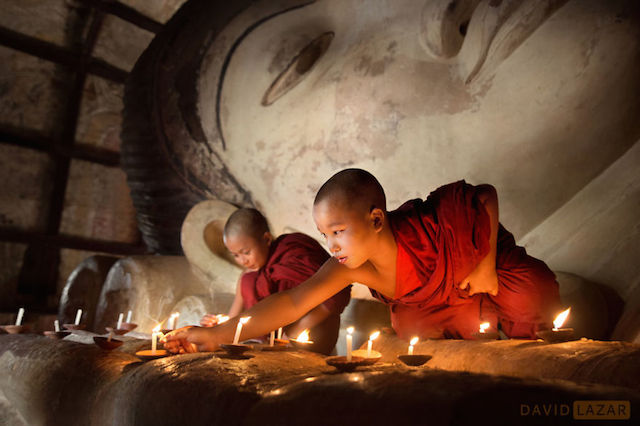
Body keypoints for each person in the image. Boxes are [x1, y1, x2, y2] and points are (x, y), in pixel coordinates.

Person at [165, 169, 561, 352]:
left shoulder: (425, 226)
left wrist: (486, 264)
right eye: (325, 235)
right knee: (411, 331)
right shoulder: (348, 265)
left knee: (532, 291)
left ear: (375, 219)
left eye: (338, 231)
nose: (332, 245)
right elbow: (291, 301)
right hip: (434, 306)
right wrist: (218, 335)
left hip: (481, 276)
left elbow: (485, 194)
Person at [199, 207, 351, 355]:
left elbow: (334, 294)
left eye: (246, 252)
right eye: (235, 255)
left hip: (312, 335)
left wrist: (292, 333)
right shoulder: (248, 277)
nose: (243, 260)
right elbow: (234, 320)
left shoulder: (294, 251)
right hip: (270, 346)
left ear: (266, 239)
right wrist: (216, 328)